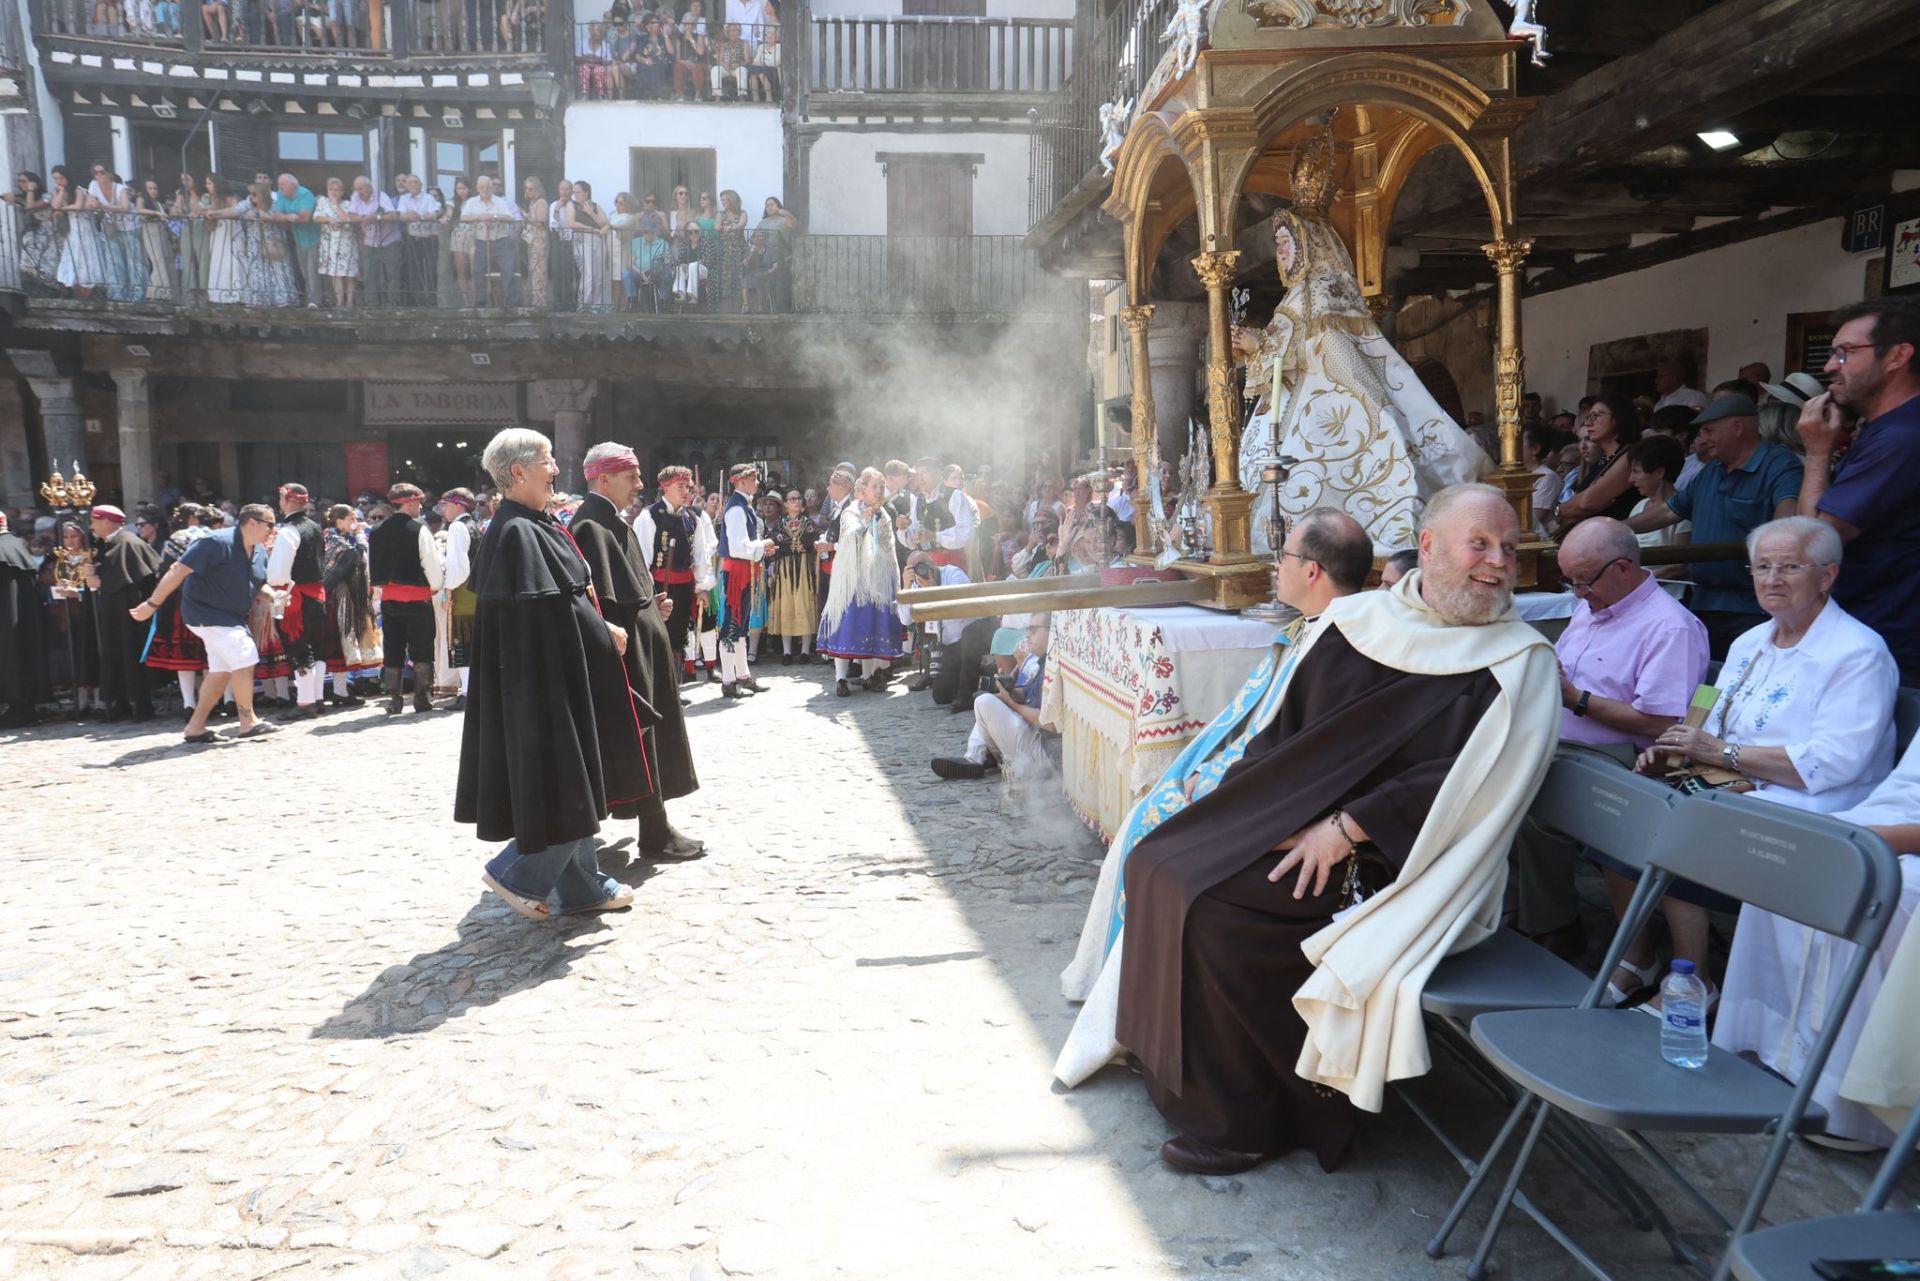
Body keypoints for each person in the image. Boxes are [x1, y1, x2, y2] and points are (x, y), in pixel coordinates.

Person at [1055, 483, 1560, 1176]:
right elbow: (1289, 736)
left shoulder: (1518, 662)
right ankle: (1172, 1066)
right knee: (1159, 857)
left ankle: (1250, 1119)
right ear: (1431, 546)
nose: (1498, 562)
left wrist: (1350, 827)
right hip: (1304, 822)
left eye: (1508, 547)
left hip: (1404, 861)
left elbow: (1475, 783)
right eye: (1481, 544)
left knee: (1220, 910)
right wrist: (1247, 806)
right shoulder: (1365, 621)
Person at [1230, 136, 1487, 552]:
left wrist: (1260, 343)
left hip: (1326, 401)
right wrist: (1258, 346)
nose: (1280, 251)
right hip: (1299, 402)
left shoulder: (1319, 290)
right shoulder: (1298, 294)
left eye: (1286, 241)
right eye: (1278, 243)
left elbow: (1323, 345)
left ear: (1311, 243)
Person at [1509, 518, 1710, 988]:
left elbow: (1664, 724)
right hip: (1566, 739)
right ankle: (1530, 919)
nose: (1577, 592)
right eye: (1570, 580)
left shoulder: (1669, 625)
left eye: (1583, 580)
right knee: (1485, 775)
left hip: (1631, 757)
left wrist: (1574, 697)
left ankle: (1558, 928)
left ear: (1622, 567)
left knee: (1534, 791)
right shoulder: (1597, 603)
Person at [454, 428, 644, 922]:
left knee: (576, 779)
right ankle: (519, 871)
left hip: (564, 678)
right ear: (518, 472)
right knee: (564, 784)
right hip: (542, 687)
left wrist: (599, 626)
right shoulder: (515, 531)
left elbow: (568, 596)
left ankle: (582, 887)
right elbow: (543, 616)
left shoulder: (535, 523)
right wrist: (599, 631)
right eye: (547, 460)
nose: (556, 469)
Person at [1713, 732, 1920, 1149]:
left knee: (1877, 891)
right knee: (1790, 857)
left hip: (1904, 842)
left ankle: (1848, 1103)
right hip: (1893, 819)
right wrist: (1859, 830)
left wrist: (1878, 839)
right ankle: (1775, 1049)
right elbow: (1907, 787)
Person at [1638, 517, 1896, 818]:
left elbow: (1833, 763)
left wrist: (1721, 753)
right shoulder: (1750, 641)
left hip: (1809, 810)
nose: (1772, 579)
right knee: (1632, 805)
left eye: (1790, 567)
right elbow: (1709, 721)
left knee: (1656, 823)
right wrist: (1677, 756)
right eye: (1762, 566)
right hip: (1727, 788)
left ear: (1827, 576)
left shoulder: (1857, 653)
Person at [570, 444, 704, 859]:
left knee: (652, 739)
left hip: (644, 644)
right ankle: (655, 831)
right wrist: (641, 611)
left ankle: (656, 824)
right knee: (641, 740)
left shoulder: (613, 521)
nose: (640, 485)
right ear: (603, 478)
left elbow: (629, 591)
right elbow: (603, 604)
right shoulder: (592, 526)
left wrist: (651, 604)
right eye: (631, 477)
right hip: (628, 657)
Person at [1794, 298, 1920, 685]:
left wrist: (1816, 452)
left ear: (1898, 356)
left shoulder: (1901, 437)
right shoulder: (1887, 428)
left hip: (1887, 641)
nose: (1830, 366)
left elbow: (1810, 542)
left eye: (1845, 353)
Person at [1627, 392, 1802, 658]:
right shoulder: (1710, 471)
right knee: (1706, 686)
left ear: (1737, 427)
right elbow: (1667, 512)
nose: (1702, 439)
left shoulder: (1780, 465)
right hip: (1704, 601)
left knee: (1745, 682)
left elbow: (1788, 524)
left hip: (1756, 608)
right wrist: (1614, 529)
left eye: (1709, 430)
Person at [129, 503, 278, 744]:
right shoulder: (215, 542)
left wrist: (275, 596)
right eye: (270, 524)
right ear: (252, 523)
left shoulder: (259, 550)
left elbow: (259, 583)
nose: (273, 530)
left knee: (220, 672)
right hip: (205, 613)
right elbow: (177, 570)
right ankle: (248, 721)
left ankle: (195, 727)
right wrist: (152, 604)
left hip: (230, 617)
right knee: (244, 654)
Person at [931, 614, 1054, 787]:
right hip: (1034, 742)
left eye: (1033, 630)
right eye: (1027, 629)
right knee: (990, 701)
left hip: (1044, 754)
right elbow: (1026, 694)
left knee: (985, 702)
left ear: (1052, 632)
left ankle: (982, 757)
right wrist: (1009, 691)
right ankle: (978, 757)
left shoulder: (1052, 665)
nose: (1028, 635)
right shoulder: (1042, 660)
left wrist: (1011, 703)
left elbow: (1048, 722)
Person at [818, 467, 902, 697]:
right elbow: (850, 539)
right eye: (874, 486)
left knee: (871, 626)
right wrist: (866, 523)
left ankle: (868, 676)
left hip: (875, 580)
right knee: (848, 625)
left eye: (881, 487)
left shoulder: (882, 513)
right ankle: (841, 678)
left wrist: (878, 522)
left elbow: (887, 544)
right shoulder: (850, 512)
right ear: (862, 489)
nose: (879, 491)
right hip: (853, 581)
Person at [368, 482, 445, 714]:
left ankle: (394, 700)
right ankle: (421, 698)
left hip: (389, 598)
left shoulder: (378, 531)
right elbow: (429, 563)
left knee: (393, 647)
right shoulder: (419, 529)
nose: (420, 507)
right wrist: (436, 585)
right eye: (418, 502)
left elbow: (374, 568)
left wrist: (379, 593)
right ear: (410, 502)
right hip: (418, 597)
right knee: (421, 646)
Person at [264, 482, 333, 719]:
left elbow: (277, 575)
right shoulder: (315, 526)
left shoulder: (287, 531)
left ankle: (305, 703)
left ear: (286, 499)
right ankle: (317, 698)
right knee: (317, 645)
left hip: (296, 596)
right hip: (316, 594)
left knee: (298, 647)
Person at [89, 504, 163, 722]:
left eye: (94, 521)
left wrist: (99, 581)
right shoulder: (111, 543)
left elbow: (124, 579)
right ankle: (120, 703)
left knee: (130, 656)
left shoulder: (126, 543)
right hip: (116, 612)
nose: (92, 526)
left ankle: (141, 705)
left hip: (128, 612)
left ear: (106, 521)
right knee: (116, 657)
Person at [716, 463, 775, 699]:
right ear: (741, 481)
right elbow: (739, 547)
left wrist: (761, 549)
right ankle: (728, 680)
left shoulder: (743, 507)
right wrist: (763, 545)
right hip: (737, 574)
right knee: (732, 625)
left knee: (741, 626)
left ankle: (742, 675)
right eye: (754, 478)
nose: (757, 482)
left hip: (745, 571)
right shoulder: (737, 509)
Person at [1553, 394, 1642, 532]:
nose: (1588, 423)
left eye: (1597, 415)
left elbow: (1586, 502)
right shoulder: (1603, 460)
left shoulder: (1629, 456)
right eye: (1589, 417)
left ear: (1618, 418)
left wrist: (1559, 510)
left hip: (1613, 541)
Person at [321, 503, 373, 707]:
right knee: (339, 641)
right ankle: (338, 691)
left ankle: (337, 690)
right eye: (352, 519)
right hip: (338, 597)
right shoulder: (340, 543)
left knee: (335, 643)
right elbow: (358, 559)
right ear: (339, 520)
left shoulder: (328, 538)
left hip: (331, 596)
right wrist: (361, 539)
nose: (355, 523)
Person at [0, 512, 47, 727]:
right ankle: (25, 704)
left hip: (6, 621)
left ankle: (17, 706)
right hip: (25, 619)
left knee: (11, 660)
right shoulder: (17, 546)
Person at [437, 488, 479, 708]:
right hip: (475, 591)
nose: (443, 509)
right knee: (471, 642)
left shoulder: (457, 527)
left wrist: (448, 588)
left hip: (463, 591)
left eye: (446, 504)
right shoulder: (473, 526)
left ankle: (466, 693)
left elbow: (458, 566)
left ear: (458, 505)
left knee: (462, 641)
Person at [767, 489, 818, 664]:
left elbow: (814, 541)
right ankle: (787, 652)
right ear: (786, 504)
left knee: (803, 602)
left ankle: (805, 651)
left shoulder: (808, 522)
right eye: (792, 499)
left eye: (798, 498)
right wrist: (791, 549)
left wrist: (804, 547)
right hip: (784, 570)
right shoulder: (780, 523)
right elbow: (775, 544)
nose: (796, 501)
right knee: (786, 605)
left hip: (804, 568)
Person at [269, 173, 319, 306]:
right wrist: (289, 217)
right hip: (297, 237)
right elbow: (277, 215)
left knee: (312, 270)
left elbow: (305, 217)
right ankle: (308, 298)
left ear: (293, 185)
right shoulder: (280, 194)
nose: (279, 188)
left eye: (282, 185)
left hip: (313, 238)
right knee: (304, 271)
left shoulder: (305, 194)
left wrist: (288, 217)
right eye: (279, 185)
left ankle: (314, 301)